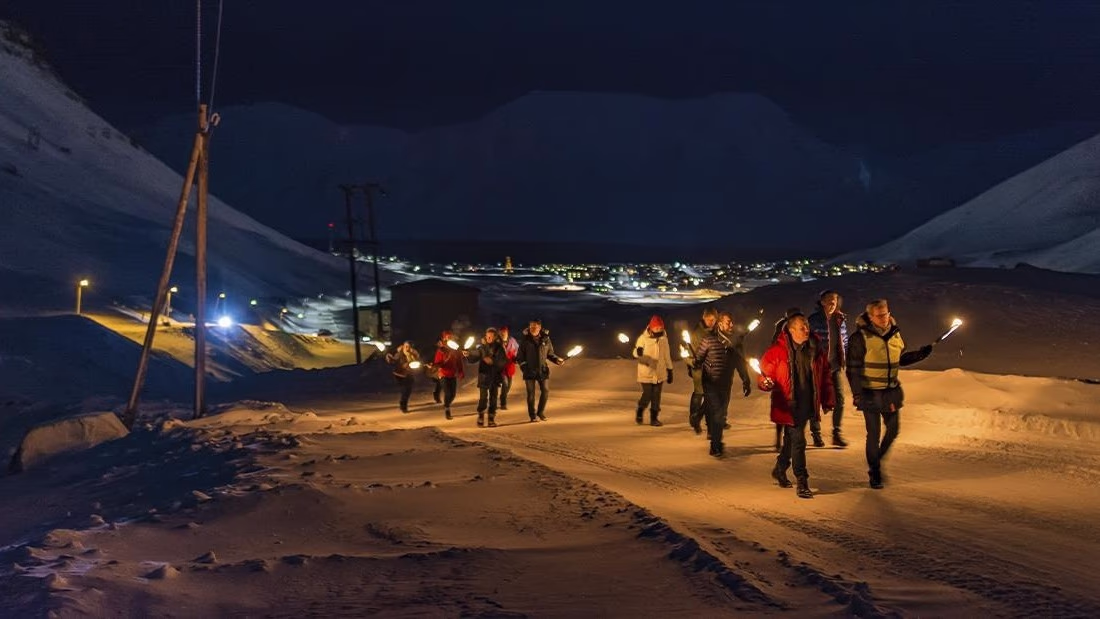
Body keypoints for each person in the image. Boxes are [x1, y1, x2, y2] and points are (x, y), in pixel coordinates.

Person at [846, 299, 933, 489]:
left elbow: (900, 359)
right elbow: (852, 369)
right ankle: (875, 471)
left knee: (893, 430)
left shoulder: (895, 333)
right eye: (879, 315)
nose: (884, 318)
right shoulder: (859, 338)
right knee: (874, 434)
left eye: (886, 314)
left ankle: (875, 461)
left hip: (890, 392)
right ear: (870, 317)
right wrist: (857, 394)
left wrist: (920, 354)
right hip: (869, 393)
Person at [758, 314, 835, 499]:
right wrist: (765, 383)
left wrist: (828, 399)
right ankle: (802, 480)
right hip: (789, 405)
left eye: (807, 326)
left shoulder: (815, 348)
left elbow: (825, 375)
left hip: (808, 403)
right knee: (799, 441)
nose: (807, 329)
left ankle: (779, 468)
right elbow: (764, 375)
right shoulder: (776, 352)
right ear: (791, 330)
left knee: (791, 441)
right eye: (802, 327)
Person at [691, 312, 750, 457]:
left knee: (720, 413)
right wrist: (696, 362)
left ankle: (699, 419)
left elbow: (740, 363)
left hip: (725, 384)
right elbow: (699, 358)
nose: (731, 325)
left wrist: (746, 380)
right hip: (710, 383)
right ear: (720, 324)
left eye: (732, 322)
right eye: (728, 322)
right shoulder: (709, 340)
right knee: (718, 413)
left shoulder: (734, 343)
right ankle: (715, 445)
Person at [808, 290, 849, 448]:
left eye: (835, 300)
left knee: (840, 399)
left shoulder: (840, 319)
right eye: (830, 300)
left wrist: (845, 357)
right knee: (815, 399)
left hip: (835, 365)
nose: (833, 303)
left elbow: (844, 341)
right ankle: (816, 434)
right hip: (818, 366)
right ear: (822, 302)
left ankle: (836, 433)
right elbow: (806, 341)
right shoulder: (814, 320)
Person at [768, 306, 802, 452]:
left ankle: (786, 440)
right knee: (782, 407)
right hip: (783, 373)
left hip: (793, 373)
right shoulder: (781, 332)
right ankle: (780, 439)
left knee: (791, 407)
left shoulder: (798, 330)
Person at [517, 319, 564, 421]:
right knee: (531, 395)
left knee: (545, 391)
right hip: (529, 371)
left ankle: (540, 412)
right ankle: (532, 415)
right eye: (531, 326)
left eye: (535, 326)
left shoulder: (546, 339)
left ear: (539, 327)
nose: (533, 328)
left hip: (542, 370)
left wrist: (557, 360)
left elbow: (550, 354)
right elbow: (520, 357)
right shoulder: (525, 340)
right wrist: (524, 368)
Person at [632, 315, 674, 427]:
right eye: (656, 328)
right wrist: (639, 351)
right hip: (646, 372)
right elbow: (635, 353)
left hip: (660, 373)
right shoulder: (643, 338)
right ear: (651, 327)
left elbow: (667, 356)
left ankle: (654, 418)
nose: (658, 330)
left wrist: (670, 370)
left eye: (660, 328)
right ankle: (640, 410)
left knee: (656, 396)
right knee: (648, 394)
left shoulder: (664, 339)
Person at [464, 327, 508, 427]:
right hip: (484, 376)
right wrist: (468, 354)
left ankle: (491, 418)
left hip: (495, 376)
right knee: (483, 398)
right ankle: (481, 415)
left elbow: (503, 361)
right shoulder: (482, 348)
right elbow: (476, 354)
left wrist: (493, 362)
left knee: (493, 398)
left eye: (490, 336)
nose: (488, 338)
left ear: (495, 337)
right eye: (487, 336)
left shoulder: (500, 348)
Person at [687, 307, 719, 434]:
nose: (710, 322)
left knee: (711, 396)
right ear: (703, 318)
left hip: (713, 369)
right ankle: (694, 416)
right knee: (699, 393)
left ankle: (708, 420)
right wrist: (692, 363)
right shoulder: (697, 334)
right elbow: (688, 353)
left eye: (713, 319)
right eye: (708, 319)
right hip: (699, 369)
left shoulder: (717, 331)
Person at [431, 330, 465, 420]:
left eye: (450, 336)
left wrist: (461, 372)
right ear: (444, 338)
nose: (449, 338)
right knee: (448, 393)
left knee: (453, 394)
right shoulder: (441, 350)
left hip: (452, 375)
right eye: (447, 337)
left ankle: (447, 404)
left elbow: (459, 361)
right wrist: (437, 365)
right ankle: (447, 410)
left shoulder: (455, 349)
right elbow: (437, 362)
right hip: (443, 375)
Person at [385, 341, 420, 413]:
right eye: (406, 346)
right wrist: (390, 359)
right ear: (403, 346)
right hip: (400, 375)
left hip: (410, 374)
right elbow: (394, 361)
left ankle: (404, 403)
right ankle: (403, 406)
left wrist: (416, 364)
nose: (407, 348)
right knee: (405, 390)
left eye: (409, 346)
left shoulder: (414, 354)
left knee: (408, 391)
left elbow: (418, 361)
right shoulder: (399, 354)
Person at [499, 326, 519, 410]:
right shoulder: (497, 342)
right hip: (500, 368)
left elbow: (517, 350)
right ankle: (503, 403)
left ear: (507, 333)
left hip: (510, 367)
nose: (503, 334)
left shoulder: (512, 341)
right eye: (501, 332)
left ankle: (502, 396)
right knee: (505, 383)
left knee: (508, 386)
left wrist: (516, 358)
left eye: (504, 332)